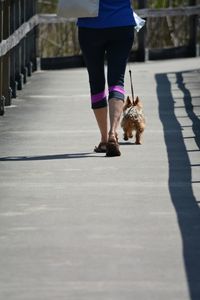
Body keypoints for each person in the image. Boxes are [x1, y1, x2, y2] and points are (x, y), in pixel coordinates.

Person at [77, 0, 136, 157]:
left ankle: (104, 140)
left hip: (90, 26)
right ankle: (112, 133)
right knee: (117, 81)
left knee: (96, 83)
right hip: (122, 24)